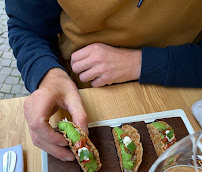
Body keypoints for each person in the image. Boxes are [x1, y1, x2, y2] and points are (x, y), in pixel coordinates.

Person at [5, 0, 202, 161]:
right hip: (79, 96)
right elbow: (26, 26)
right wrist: (48, 75)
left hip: (182, 87)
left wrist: (140, 63)